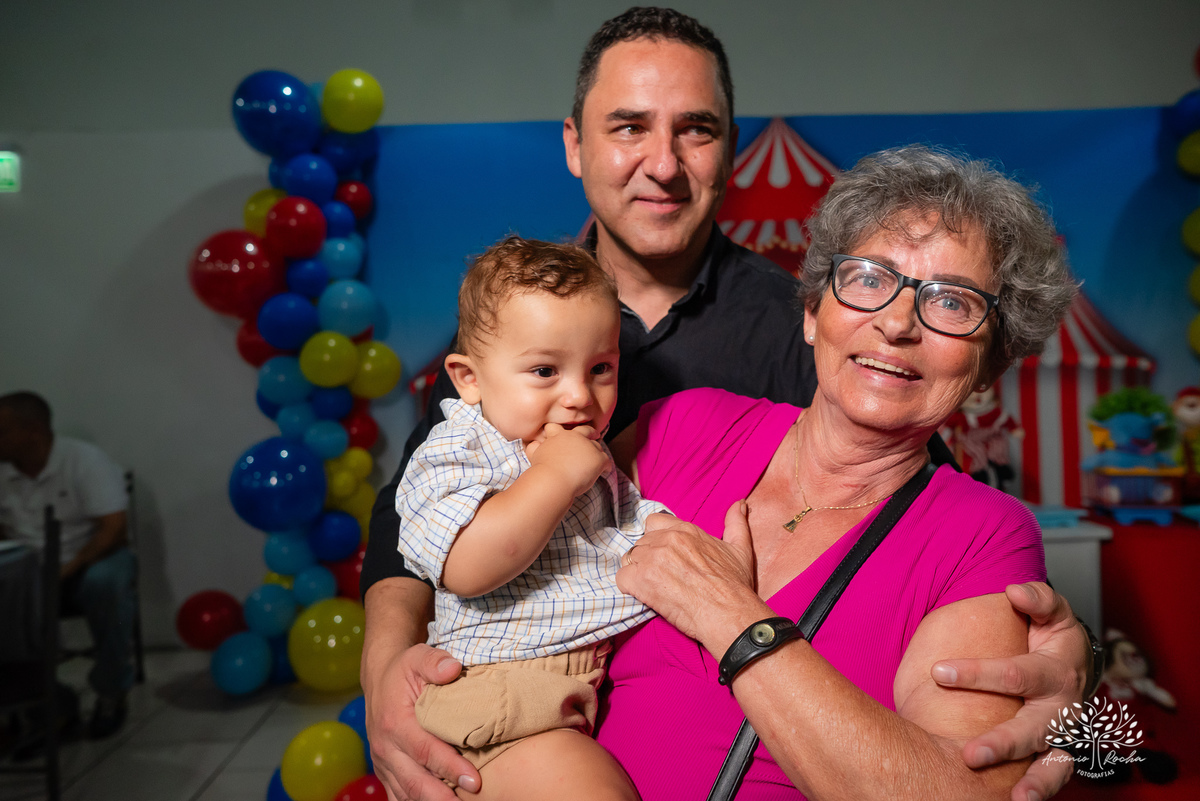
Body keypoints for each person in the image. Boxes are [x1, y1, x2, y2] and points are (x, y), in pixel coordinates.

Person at [361, 8, 1091, 800]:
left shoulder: (795, 325)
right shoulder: (514, 314)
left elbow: (922, 514)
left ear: (731, 149)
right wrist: (382, 678)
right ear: (575, 144)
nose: (662, 164)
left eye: (696, 130)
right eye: (629, 126)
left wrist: (1074, 671)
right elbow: (417, 516)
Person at [603, 144, 1078, 798]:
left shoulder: (982, 537)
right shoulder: (680, 429)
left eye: (951, 302)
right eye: (869, 278)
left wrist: (728, 612)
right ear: (810, 311)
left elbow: (953, 791)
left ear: (989, 366)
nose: (896, 323)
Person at [397, 236, 664, 798]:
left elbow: (627, 524)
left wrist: (680, 539)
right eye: (544, 370)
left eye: (600, 368)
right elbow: (464, 565)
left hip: (568, 684)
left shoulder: (583, 450)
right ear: (468, 378)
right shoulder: (458, 451)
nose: (578, 396)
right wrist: (553, 478)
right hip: (503, 695)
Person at [0, 391, 137, 739]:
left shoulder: (84, 461)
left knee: (108, 583)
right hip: (27, 574)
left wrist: (68, 568)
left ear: (33, 432)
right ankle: (47, 701)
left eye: (2, 431)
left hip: (86, 562)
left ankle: (110, 689)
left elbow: (114, 528)